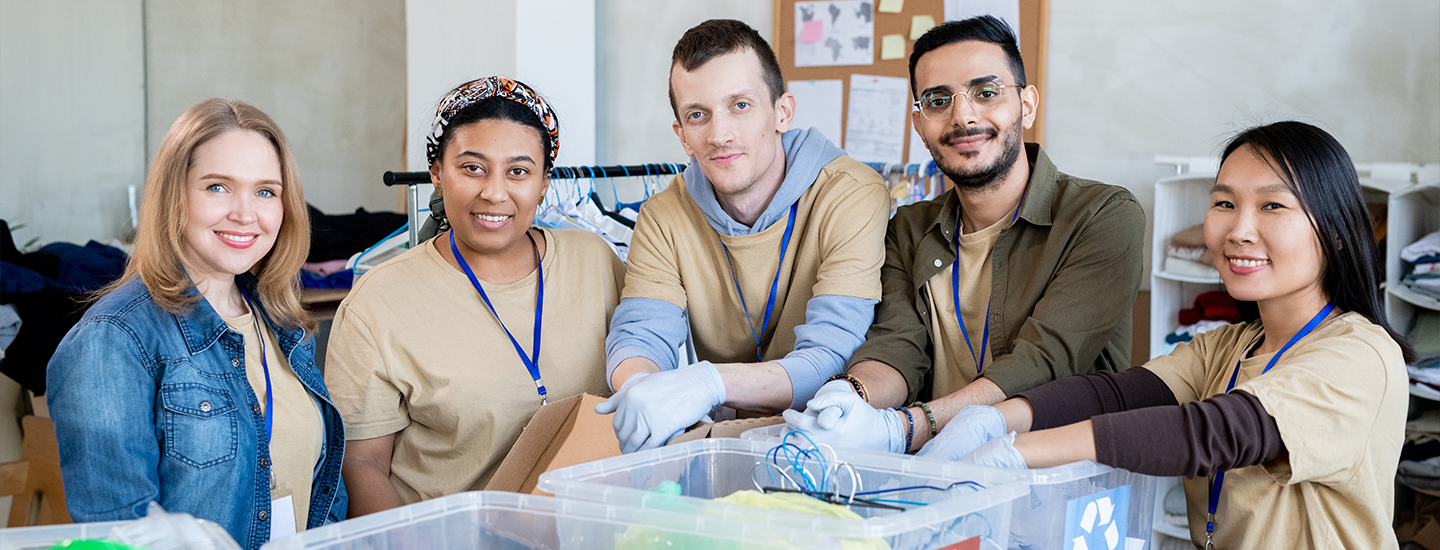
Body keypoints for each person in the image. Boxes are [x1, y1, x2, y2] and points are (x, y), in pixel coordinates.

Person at [935, 121, 1414, 549]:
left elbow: (1215, 432)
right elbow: (1116, 397)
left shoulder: (1360, 354)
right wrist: (992, 420)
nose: (1239, 230)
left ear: (1334, 231)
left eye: (1272, 205)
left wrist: (1016, 452)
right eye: (1224, 203)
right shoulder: (1230, 345)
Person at [784, 15, 1145, 455]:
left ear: (1027, 105)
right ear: (919, 125)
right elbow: (897, 347)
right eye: (937, 100)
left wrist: (910, 426)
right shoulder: (908, 229)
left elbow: (1047, 361)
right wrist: (848, 396)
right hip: (932, 475)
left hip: (1052, 478)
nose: (963, 116)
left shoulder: (1101, 215)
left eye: (986, 93)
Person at [47, 98, 346, 549]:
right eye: (218, 187)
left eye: (266, 191)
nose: (246, 213)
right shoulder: (114, 339)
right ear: (175, 195)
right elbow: (119, 537)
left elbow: (323, 496)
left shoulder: (281, 323)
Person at [325, 77, 624, 516]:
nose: (495, 192)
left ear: (544, 184)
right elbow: (361, 464)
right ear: (437, 175)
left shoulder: (595, 262)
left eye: (518, 171)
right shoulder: (380, 300)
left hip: (591, 530)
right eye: (472, 168)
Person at [597, 19, 892, 453]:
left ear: (782, 112)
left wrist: (710, 382)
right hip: (723, 442)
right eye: (698, 115)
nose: (719, 135)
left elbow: (834, 357)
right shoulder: (662, 216)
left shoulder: (851, 193)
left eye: (740, 105)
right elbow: (641, 333)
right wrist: (642, 387)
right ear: (682, 135)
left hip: (831, 437)